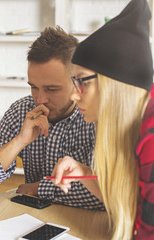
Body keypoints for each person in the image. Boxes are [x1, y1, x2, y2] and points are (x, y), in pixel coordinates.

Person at [0, 26, 104, 210]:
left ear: (77, 82)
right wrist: (19, 141)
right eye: (34, 87)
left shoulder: (96, 117)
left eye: (52, 89)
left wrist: (39, 187)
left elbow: (105, 194)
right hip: (32, 219)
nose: (40, 99)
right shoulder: (21, 110)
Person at [51, 0, 154, 239]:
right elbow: (132, 203)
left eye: (82, 81)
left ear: (114, 84)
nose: (75, 95)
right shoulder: (137, 123)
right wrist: (83, 172)